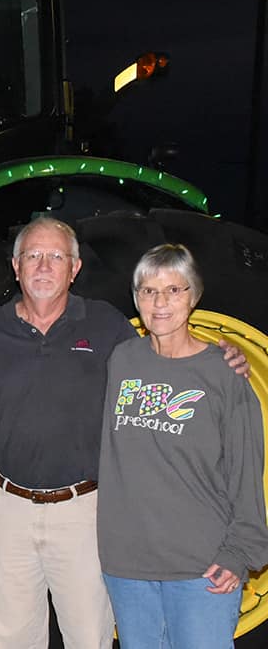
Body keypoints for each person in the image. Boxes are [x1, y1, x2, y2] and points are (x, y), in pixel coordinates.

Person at [0, 217, 248, 648]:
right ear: (15, 266)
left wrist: (223, 354)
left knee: (89, 636)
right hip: (7, 511)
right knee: (10, 637)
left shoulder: (105, 325)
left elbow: (164, 354)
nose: (43, 266)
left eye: (56, 256)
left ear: (74, 269)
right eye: (32, 255)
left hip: (84, 513)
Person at [98, 244, 268, 648]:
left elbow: (247, 469)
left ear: (194, 296)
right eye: (149, 291)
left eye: (174, 290)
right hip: (128, 566)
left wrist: (240, 551)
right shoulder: (122, 360)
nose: (160, 303)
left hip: (202, 567)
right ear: (136, 296)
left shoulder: (224, 374)